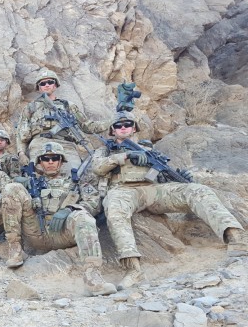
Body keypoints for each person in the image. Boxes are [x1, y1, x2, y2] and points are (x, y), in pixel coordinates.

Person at [92, 111, 248, 290]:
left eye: (127, 124)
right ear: (112, 130)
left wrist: (179, 178)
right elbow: (97, 168)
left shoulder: (148, 150)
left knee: (197, 190)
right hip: (123, 191)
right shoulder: (104, 150)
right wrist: (124, 157)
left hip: (153, 191)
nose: (123, 128)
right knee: (114, 207)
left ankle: (235, 237)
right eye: (118, 126)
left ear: (134, 128)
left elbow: (160, 176)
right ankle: (133, 269)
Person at [1, 142, 117, 296]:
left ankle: (93, 278)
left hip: (63, 234)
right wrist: (17, 184)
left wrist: (70, 209)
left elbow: (93, 202)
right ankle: (15, 249)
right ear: (40, 162)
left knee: (84, 217)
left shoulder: (76, 182)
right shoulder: (31, 181)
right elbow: (10, 199)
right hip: (36, 232)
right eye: (45, 159)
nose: (50, 162)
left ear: (61, 161)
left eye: (54, 158)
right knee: (11, 188)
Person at [15, 68, 109, 172]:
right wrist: (21, 154)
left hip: (66, 145)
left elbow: (87, 126)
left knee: (75, 174)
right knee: (39, 176)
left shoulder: (68, 106)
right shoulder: (30, 107)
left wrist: (112, 122)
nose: (47, 85)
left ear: (55, 85)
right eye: (43, 83)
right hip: (40, 144)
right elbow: (21, 133)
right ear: (39, 88)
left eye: (50, 82)